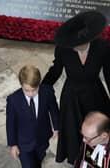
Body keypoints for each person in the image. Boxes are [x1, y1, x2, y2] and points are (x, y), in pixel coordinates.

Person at [41, 10, 110, 164]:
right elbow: (55, 70)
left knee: (96, 131)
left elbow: (109, 74)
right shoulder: (63, 48)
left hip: (95, 95)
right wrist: (42, 89)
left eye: (75, 45)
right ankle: (76, 159)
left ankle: (95, 160)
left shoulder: (103, 47)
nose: (72, 47)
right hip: (71, 98)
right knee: (73, 132)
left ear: (86, 40)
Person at [6, 65, 59, 168]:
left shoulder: (47, 92)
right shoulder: (13, 100)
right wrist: (13, 144)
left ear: (39, 84)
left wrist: (56, 127)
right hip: (23, 143)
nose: (31, 94)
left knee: (38, 161)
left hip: (42, 138)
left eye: (34, 90)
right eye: (27, 90)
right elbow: (10, 124)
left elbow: (54, 109)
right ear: (21, 85)